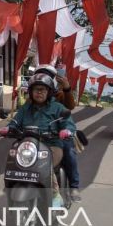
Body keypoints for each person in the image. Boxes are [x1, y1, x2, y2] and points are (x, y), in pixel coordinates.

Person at [0, 73, 76, 207]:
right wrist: (8, 128)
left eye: (43, 89)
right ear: (31, 91)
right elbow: (15, 122)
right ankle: (10, 187)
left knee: (46, 166)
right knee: (13, 159)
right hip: (28, 145)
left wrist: (66, 130)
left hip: (51, 145)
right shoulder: (25, 108)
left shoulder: (57, 108)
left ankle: (55, 195)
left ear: (49, 92)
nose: (39, 93)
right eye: (36, 89)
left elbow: (67, 122)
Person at [33, 64, 81, 201]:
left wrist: (66, 88)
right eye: (40, 75)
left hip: (59, 136)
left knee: (69, 153)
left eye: (47, 76)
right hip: (37, 135)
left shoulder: (59, 95)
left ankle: (74, 187)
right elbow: (23, 115)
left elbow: (70, 106)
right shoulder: (33, 95)